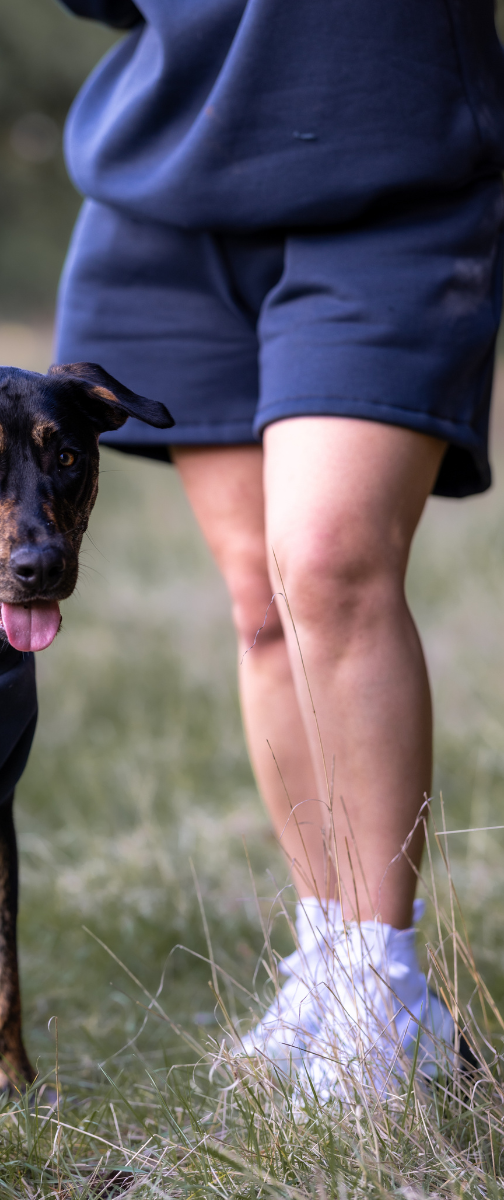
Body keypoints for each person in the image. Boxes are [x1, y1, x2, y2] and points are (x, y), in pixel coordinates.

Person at [53, 0, 504, 1099]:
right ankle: (332, 959)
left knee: (330, 562)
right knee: (263, 603)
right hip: (172, 176)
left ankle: (385, 987)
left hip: (397, 154)